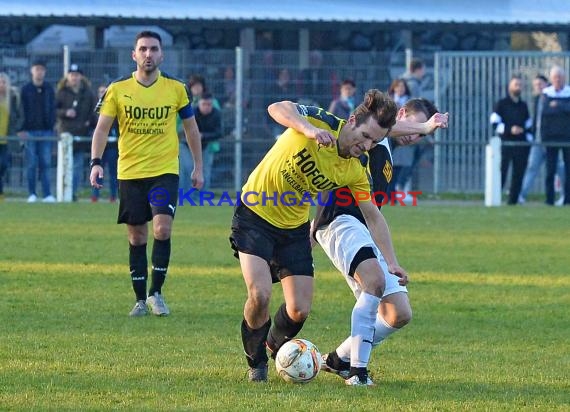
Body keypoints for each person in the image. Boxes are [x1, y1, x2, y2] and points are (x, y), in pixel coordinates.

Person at [229, 90, 448, 383]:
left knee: (299, 309)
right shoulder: (324, 122)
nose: (367, 145)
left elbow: (373, 215)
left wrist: (392, 261)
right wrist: (308, 129)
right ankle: (257, 363)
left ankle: (278, 347)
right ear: (353, 120)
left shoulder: (356, 170)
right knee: (260, 294)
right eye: (366, 136)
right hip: (255, 214)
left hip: (293, 227)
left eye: (374, 141)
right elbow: (277, 106)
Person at [314, 98, 438, 386]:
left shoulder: (383, 148)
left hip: (362, 229)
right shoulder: (373, 136)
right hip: (340, 221)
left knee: (398, 313)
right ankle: (358, 373)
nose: (415, 135)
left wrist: (392, 261)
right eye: (415, 125)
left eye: (421, 134)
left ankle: (337, 359)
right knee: (373, 284)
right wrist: (427, 126)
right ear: (402, 115)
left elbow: (374, 214)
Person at [89, 30, 204, 317]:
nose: (148, 54)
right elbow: (102, 128)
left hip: (165, 170)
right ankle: (140, 299)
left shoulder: (176, 88)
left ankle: (156, 294)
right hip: (130, 172)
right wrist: (96, 161)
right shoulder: (118, 89)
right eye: (143, 49)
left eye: (154, 49)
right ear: (134, 54)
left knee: (162, 229)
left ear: (162, 54)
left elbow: (191, 129)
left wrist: (198, 167)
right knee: (137, 237)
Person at [490, 75, 532, 205]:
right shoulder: (501, 104)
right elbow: (494, 123)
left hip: (521, 145)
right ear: (509, 86)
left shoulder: (523, 106)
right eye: (515, 84)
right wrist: (510, 129)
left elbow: (528, 125)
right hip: (505, 144)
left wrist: (524, 135)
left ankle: (512, 201)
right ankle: (495, 198)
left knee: (518, 173)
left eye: (520, 85)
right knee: (501, 172)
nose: (518, 87)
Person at [55, 64, 95, 201]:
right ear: (68, 76)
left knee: (77, 166)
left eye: (77, 75)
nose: (74, 77)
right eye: (72, 74)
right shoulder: (61, 92)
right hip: (65, 134)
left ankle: (72, 193)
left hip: (81, 135)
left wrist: (90, 122)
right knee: (64, 166)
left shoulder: (88, 93)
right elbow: (54, 110)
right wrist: (65, 112)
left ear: (81, 77)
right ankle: (62, 192)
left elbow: (94, 111)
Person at [18, 59, 56, 203]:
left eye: (41, 69)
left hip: (46, 131)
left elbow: (52, 108)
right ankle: (32, 193)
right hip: (29, 132)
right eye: (36, 69)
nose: (39, 72)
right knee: (31, 164)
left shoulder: (49, 89)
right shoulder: (25, 89)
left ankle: (47, 194)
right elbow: (21, 109)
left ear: (44, 71)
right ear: (31, 71)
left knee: (46, 163)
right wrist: (21, 129)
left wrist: (52, 125)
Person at [540, 65, 570, 206]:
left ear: (564, 78)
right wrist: (563, 108)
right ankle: (549, 200)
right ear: (551, 79)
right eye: (555, 77)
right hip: (550, 137)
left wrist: (557, 105)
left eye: (560, 77)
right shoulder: (546, 93)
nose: (557, 79)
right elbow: (545, 112)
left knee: (569, 170)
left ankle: (568, 200)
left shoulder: (568, 92)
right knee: (550, 170)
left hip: (567, 137)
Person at [91, 84, 118, 203]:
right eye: (101, 91)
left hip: (112, 146)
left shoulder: (115, 106)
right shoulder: (96, 108)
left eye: (105, 91)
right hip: (100, 147)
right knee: (97, 170)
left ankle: (113, 196)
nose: (103, 93)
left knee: (113, 173)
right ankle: (95, 196)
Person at [387, 78, 414, 196]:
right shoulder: (388, 101)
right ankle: (389, 194)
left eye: (402, 87)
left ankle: (398, 190)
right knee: (391, 166)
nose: (400, 89)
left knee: (405, 166)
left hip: (405, 137)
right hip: (392, 135)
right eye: (398, 86)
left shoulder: (411, 103)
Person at [0, 72, 23, 199]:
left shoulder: (13, 98)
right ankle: (1, 193)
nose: (1, 85)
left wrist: (17, 129)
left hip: (7, 139)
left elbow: (20, 116)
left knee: (3, 165)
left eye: (4, 82)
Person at [194, 92, 222, 190]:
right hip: (189, 146)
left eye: (209, 104)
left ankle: (202, 196)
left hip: (206, 146)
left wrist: (203, 136)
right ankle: (185, 196)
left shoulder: (216, 114)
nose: (206, 107)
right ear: (199, 104)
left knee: (205, 172)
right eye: (204, 104)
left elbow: (219, 133)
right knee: (188, 169)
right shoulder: (192, 112)